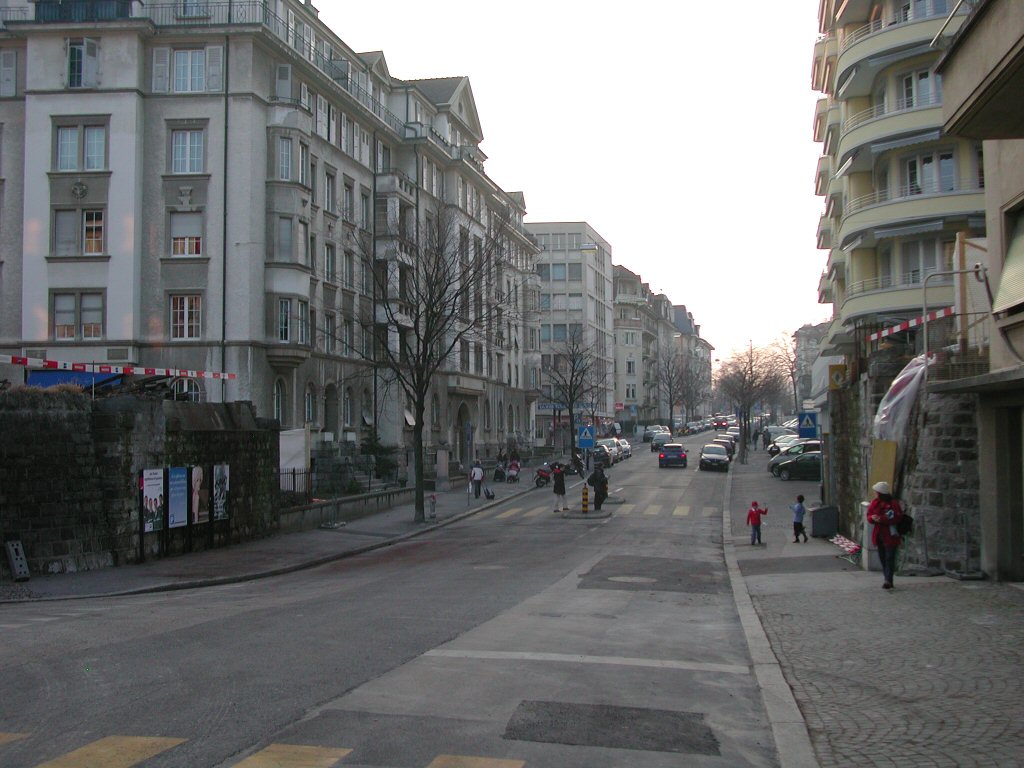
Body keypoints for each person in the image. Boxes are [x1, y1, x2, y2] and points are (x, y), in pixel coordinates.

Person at [866, 480, 905, 590]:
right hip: (879, 535)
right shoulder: (875, 503)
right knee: (883, 558)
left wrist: (881, 519)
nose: (875, 493)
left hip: (890, 535)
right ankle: (887, 579)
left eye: (876, 492)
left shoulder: (893, 504)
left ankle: (888, 580)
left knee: (889, 557)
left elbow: (897, 517)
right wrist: (872, 518)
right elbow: (869, 515)